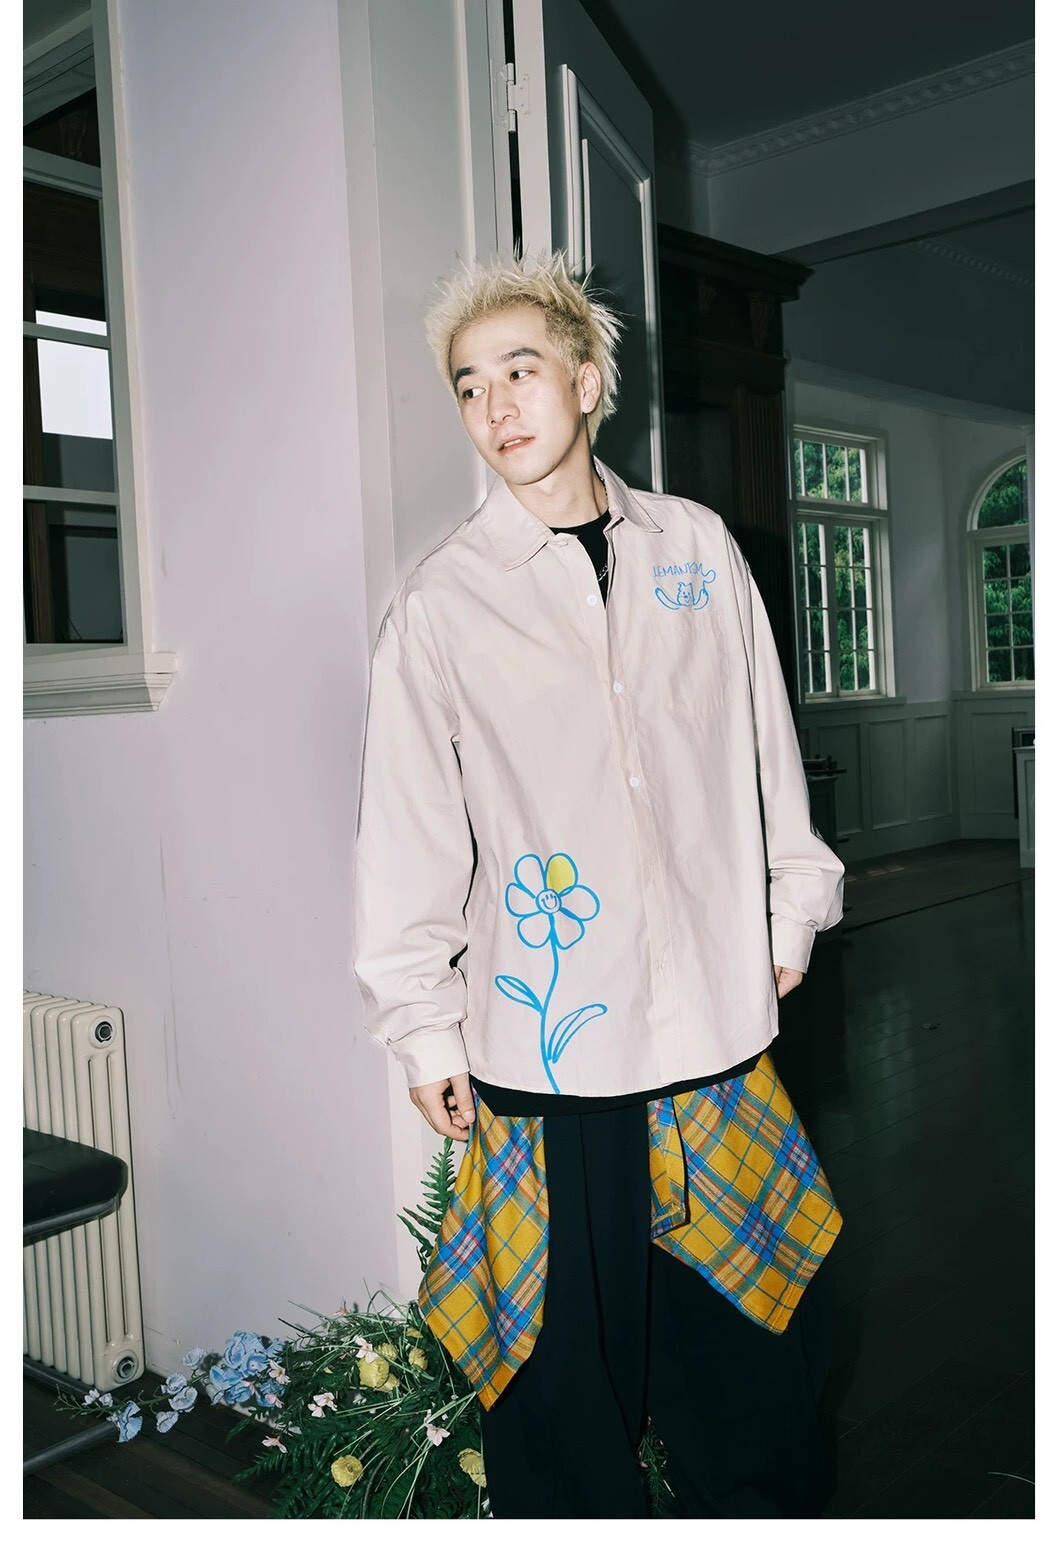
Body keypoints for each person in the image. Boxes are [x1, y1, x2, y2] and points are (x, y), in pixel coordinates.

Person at [352, 250, 845, 1519]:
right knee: (559, 1378)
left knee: (749, 1346)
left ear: (584, 381)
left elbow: (760, 740)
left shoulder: (697, 548)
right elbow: (406, 834)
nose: (495, 403)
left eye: (520, 369)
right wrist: (422, 1023)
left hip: (707, 1028)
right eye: (469, 384)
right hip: (547, 1053)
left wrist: (790, 906)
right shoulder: (439, 605)